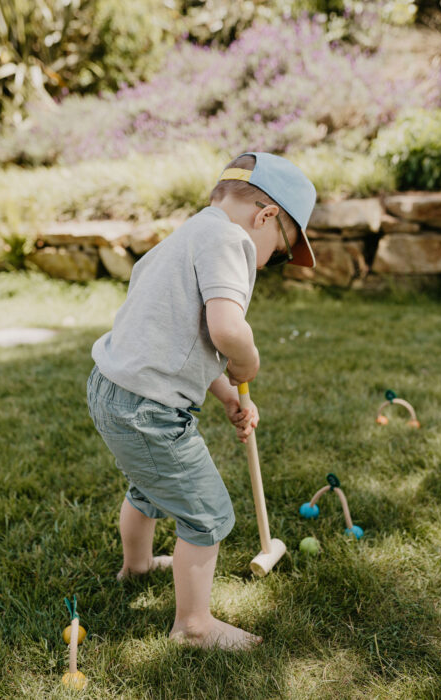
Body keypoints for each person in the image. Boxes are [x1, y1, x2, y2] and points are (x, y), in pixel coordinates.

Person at [86, 151, 316, 649]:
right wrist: (247, 361)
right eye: (280, 250)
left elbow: (185, 340)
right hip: (148, 408)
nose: (273, 260)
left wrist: (228, 393)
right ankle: (193, 626)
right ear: (266, 216)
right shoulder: (231, 240)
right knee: (207, 514)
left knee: (146, 486)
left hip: (114, 390)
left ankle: (139, 565)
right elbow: (227, 330)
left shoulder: (188, 235)